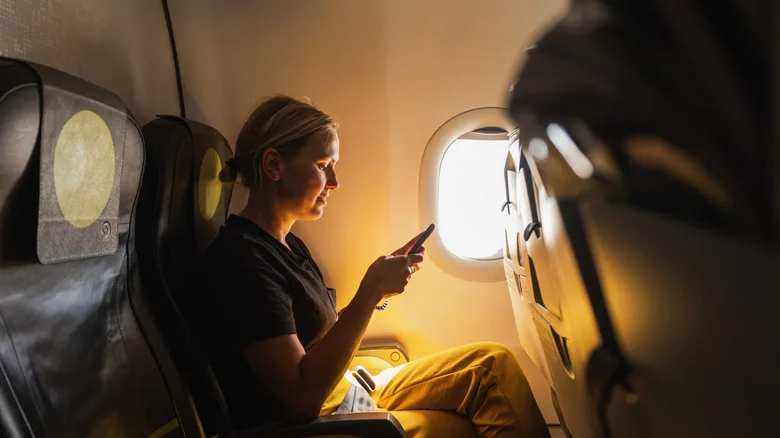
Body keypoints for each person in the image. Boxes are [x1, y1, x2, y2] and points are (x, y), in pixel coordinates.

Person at [198, 95, 550, 438]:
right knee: (465, 424)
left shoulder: (288, 245)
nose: (334, 182)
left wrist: (380, 291)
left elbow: (317, 337)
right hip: (316, 420)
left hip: (345, 389)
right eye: (323, 166)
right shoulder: (243, 263)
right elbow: (302, 395)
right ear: (274, 165)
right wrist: (370, 291)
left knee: (490, 366)